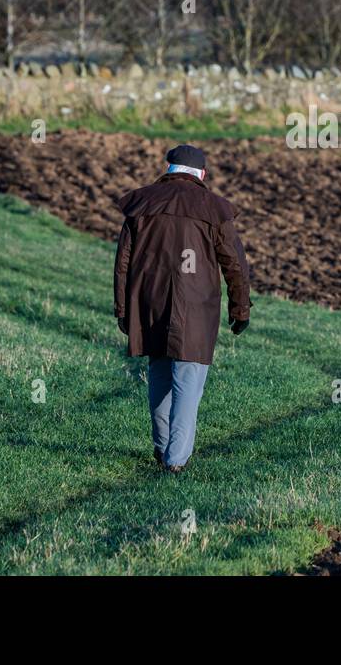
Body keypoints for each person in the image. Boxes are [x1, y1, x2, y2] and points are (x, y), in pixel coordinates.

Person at [113, 144, 252, 473]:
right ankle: (176, 460)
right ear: (202, 174)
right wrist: (240, 308)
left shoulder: (141, 203)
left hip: (150, 302)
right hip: (196, 307)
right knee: (188, 379)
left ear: (168, 168)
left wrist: (122, 309)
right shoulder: (213, 208)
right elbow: (235, 264)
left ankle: (163, 451)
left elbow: (123, 263)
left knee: (159, 375)